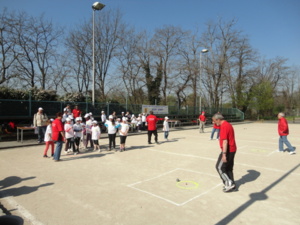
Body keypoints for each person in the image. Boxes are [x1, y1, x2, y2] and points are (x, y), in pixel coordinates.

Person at [213, 113, 237, 192]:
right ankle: (232, 184)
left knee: (219, 167)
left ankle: (229, 183)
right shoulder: (227, 124)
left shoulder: (224, 126)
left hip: (228, 150)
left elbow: (225, 142)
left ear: (218, 120)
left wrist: (224, 154)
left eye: (214, 121)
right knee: (228, 168)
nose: (214, 123)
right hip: (232, 149)